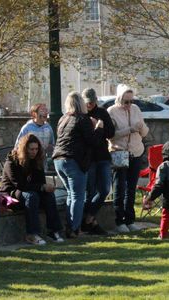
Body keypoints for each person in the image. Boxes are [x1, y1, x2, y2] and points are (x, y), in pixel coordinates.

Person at [53, 92, 104, 238]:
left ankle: (70, 227)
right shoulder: (83, 119)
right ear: (81, 103)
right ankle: (74, 229)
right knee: (78, 196)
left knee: (71, 194)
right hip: (74, 160)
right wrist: (99, 127)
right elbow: (92, 141)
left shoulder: (63, 118)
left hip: (59, 160)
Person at [0, 134, 64, 245]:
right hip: (11, 194)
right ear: (25, 149)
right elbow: (19, 185)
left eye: (36, 149)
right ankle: (32, 234)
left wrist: (45, 187)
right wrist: (41, 187)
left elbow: (40, 182)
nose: (34, 152)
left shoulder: (36, 160)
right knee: (31, 196)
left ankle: (53, 231)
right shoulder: (12, 161)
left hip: (30, 191)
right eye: (31, 149)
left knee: (49, 196)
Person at [107, 84, 149, 233]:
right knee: (119, 188)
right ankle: (119, 221)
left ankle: (130, 219)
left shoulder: (136, 109)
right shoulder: (111, 112)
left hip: (135, 152)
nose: (129, 104)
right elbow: (110, 135)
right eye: (126, 101)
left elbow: (144, 133)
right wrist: (129, 130)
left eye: (131, 101)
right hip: (119, 152)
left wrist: (141, 126)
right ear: (119, 99)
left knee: (131, 188)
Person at [82, 88, 115, 235]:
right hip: (89, 158)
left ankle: (89, 217)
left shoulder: (102, 112)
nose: (90, 105)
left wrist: (100, 125)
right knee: (90, 191)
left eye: (92, 102)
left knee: (105, 190)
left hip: (102, 156)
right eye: (87, 103)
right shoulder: (81, 114)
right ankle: (90, 223)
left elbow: (111, 133)